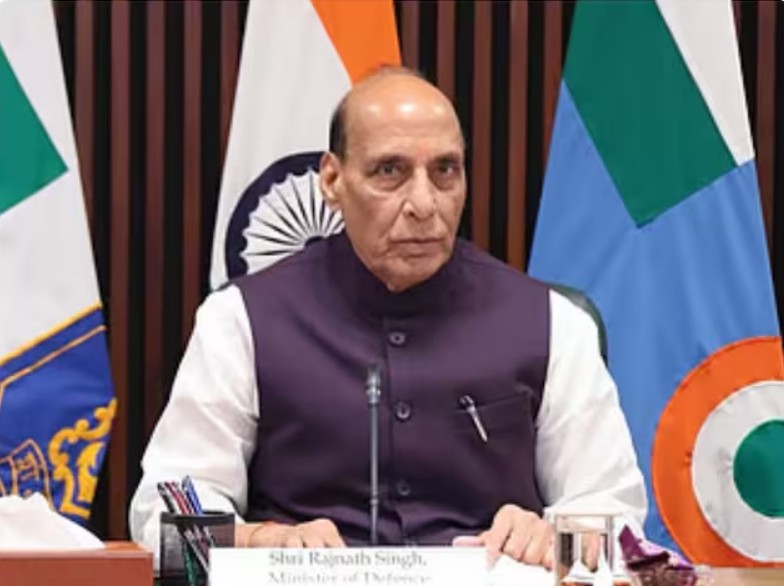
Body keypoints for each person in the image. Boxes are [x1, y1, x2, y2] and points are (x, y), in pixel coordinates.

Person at [129, 67, 646, 568]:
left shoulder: (554, 323)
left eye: (445, 171)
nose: (424, 203)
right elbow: (163, 526)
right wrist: (259, 540)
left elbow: (620, 528)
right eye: (390, 171)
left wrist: (556, 538)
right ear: (332, 180)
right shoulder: (240, 320)